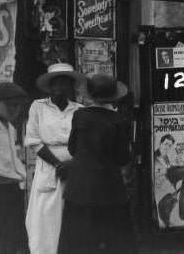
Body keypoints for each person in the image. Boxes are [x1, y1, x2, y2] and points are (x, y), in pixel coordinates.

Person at [57, 74, 136, 254]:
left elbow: (72, 149)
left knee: (78, 241)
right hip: (110, 190)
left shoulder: (79, 116)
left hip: (80, 188)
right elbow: (122, 157)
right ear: (113, 96)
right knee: (113, 242)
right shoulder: (118, 120)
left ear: (90, 95)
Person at [25, 62, 84, 254]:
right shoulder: (38, 107)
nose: (60, 88)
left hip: (74, 169)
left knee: (72, 217)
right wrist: (58, 164)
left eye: (65, 83)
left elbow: (85, 144)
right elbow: (34, 140)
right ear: (50, 87)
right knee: (45, 219)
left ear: (71, 87)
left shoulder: (79, 110)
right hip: (49, 169)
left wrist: (71, 165)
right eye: (56, 83)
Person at [0, 82, 29, 254]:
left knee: (13, 232)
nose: (14, 110)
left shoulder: (11, 128)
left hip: (12, 187)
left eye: (17, 106)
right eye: (10, 105)